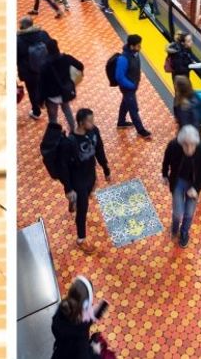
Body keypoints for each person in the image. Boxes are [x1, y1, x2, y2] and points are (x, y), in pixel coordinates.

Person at [59, 109, 110, 250]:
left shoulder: (94, 131)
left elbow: (100, 150)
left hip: (90, 175)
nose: (93, 123)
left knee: (86, 197)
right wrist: (68, 189)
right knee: (83, 209)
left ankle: (74, 200)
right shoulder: (69, 143)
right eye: (89, 121)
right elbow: (64, 168)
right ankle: (81, 239)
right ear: (81, 123)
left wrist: (106, 169)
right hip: (77, 179)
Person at [161, 125, 201, 248]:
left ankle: (184, 232)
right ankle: (174, 228)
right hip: (178, 181)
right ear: (181, 142)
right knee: (177, 213)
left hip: (194, 183)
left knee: (189, 213)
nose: (189, 149)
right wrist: (164, 175)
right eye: (186, 145)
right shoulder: (174, 145)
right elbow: (166, 160)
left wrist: (196, 188)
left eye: (192, 145)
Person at [50, 276, 105, 359]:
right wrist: (96, 352)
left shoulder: (62, 311)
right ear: (85, 305)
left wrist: (92, 315)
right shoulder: (80, 339)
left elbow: (76, 324)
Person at [40, 39, 83, 133]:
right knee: (67, 110)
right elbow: (80, 66)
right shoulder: (66, 58)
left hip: (51, 95)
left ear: (47, 50)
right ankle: (73, 130)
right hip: (64, 92)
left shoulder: (45, 66)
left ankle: (55, 135)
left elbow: (41, 84)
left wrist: (40, 100)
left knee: (53, 117)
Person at [114, 34, 152, 139]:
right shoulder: (123, 59)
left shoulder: (135, 53)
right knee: (133, 108)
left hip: (132, 86)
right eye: (138, 46)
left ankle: (121, 122)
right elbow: (119, 77)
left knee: (125, 103)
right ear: (131, 46)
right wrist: (131, 85)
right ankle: (141, 130)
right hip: (128, 88)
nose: (140, 48)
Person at [16, 16, 53, 120]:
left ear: (22, 26)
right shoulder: (42, 34)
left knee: (32, 91)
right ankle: (43, 101)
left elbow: (16, 57)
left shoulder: (18, 40)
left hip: (29, 72)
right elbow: (51, 46)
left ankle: (36, 112)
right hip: (44, 68)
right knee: (43, 85)